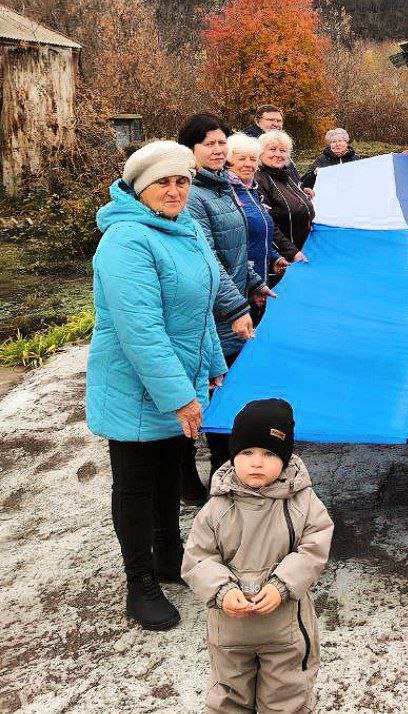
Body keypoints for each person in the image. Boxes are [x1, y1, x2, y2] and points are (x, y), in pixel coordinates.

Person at [86, 141, 228, 631]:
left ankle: (170, 557)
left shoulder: (186, 229)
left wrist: (213, 364)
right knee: (135, 485)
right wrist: (181, 397)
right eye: (163, 182)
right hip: (133, 385)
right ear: (140, 188)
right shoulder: (126, 240)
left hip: (177, 377)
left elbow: (200, 309)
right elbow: (140, 331)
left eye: (182, 181)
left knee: (170, 473)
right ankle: (140, 583)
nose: (174, 190)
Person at [182, 399, 334, 712]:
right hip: (230, 629)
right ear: (233, 455)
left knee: (287, 697)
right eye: (247, 452)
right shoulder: (217, 507)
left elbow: (314, 546)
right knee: (228, 698)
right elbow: (198, 558)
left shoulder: (301, 501)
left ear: (285, 458)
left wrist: (282, 584)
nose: (257, 463)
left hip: (285, 628)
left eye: (269, 454)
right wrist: (222, 591)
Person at [179, 114, 275, 484]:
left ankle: (225, 474)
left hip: (230, 306)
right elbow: (208, 259)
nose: (218, 150)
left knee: (229, 396)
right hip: (211, 314)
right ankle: (205, 483)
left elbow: (235, 252)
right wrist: (236, 307)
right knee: (214, 400)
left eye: (222, 142)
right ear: (190, 150)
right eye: (209, 144)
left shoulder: (221, 188)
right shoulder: (194, 196)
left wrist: (255, 282)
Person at [226, 133, 290, 323]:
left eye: (253, 159)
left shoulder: (252, 191)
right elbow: (230, 245)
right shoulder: (226, 193)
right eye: (241, 159)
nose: (248, 164)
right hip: (238, 284)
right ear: (228, 161)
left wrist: (274, 256)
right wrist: (253, 284)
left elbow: (259, 233)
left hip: (259, 276)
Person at [256, 129, 317, 257]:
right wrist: (291, 252)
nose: (278, 154)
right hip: (281, 256)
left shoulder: (287, 176)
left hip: (304, 249)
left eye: (283, 151)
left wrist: (303, 196)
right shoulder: (258, 180)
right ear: (260, 152)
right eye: (272, 149)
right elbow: (267, 223)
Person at [242, 104, 301, 183]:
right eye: (270, 120)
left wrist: (301, 187)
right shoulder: (246, 144)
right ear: (257, 121)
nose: (276, 124)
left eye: (279, 121)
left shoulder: (279, 141)